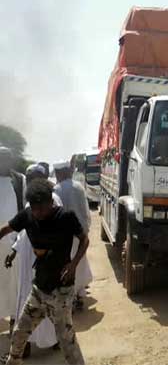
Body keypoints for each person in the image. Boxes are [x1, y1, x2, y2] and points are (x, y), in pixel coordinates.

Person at [0, 179, 87, 365]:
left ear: (51, 202)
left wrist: (73, 265)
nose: (37, 213)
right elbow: (6, 229)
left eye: (41, 208)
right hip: (39, 289)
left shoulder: (65, 217)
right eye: (34, 208)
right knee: (19, 332)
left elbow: (84, 239)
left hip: (61, 292)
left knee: (66, 341)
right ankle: (13, 362)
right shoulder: (28, 215)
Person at [4, 164, 59, 360]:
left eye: (34, 177)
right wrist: (13, 251)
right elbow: (23, 232)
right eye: (29, 177)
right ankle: (25, 345)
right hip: (28, 262)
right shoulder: (30, 204)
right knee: (26, 303)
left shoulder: (54, 200)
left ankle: (53, 340)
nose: (31, 180)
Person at [53, 161, 93, 310]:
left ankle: (72, 298)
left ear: (59, 173)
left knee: (68, 265)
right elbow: (86, 211)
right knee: (80, 264)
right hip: (81, 233)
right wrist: (86, 229)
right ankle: (79, 295)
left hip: (66, 237)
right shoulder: (79, 186)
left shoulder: (56, 190)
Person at [0, 147, 24, 337]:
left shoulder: (19, 180)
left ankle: (13, 324)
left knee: (15, 285)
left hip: (15, 241)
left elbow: (24, 208)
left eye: (6, 158)